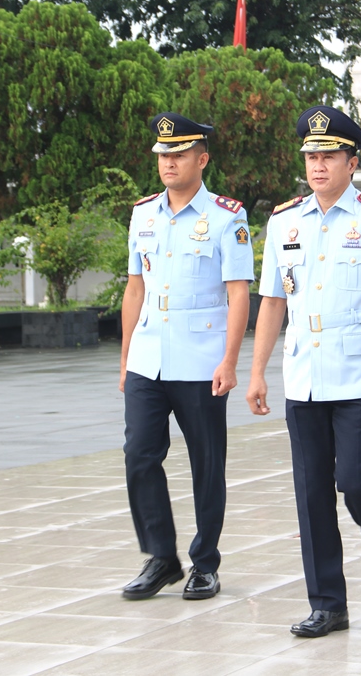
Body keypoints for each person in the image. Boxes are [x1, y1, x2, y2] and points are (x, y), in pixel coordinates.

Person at [245, 105, 361, 637]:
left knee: (355, 480)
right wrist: (257, 371)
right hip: (305, 374)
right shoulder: (283, 221)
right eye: (311, 157)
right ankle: (328, 604)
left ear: (352, 161)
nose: (318, 166)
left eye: (329, 155)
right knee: (312, 489)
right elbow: (271, 301)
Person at [119, 112, 254, 601]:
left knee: (206, 463)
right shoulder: (143, 215)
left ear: (202, 159)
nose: (168, 163)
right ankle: (160, 557)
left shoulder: (226, 216)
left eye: (178, 154)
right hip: (148, 357)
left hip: (201, 360)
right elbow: (134, 290)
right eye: (162, 155)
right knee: (139, 455)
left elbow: (239, 294)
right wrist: (125, 359)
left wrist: (230, 360)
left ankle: (205, 562)